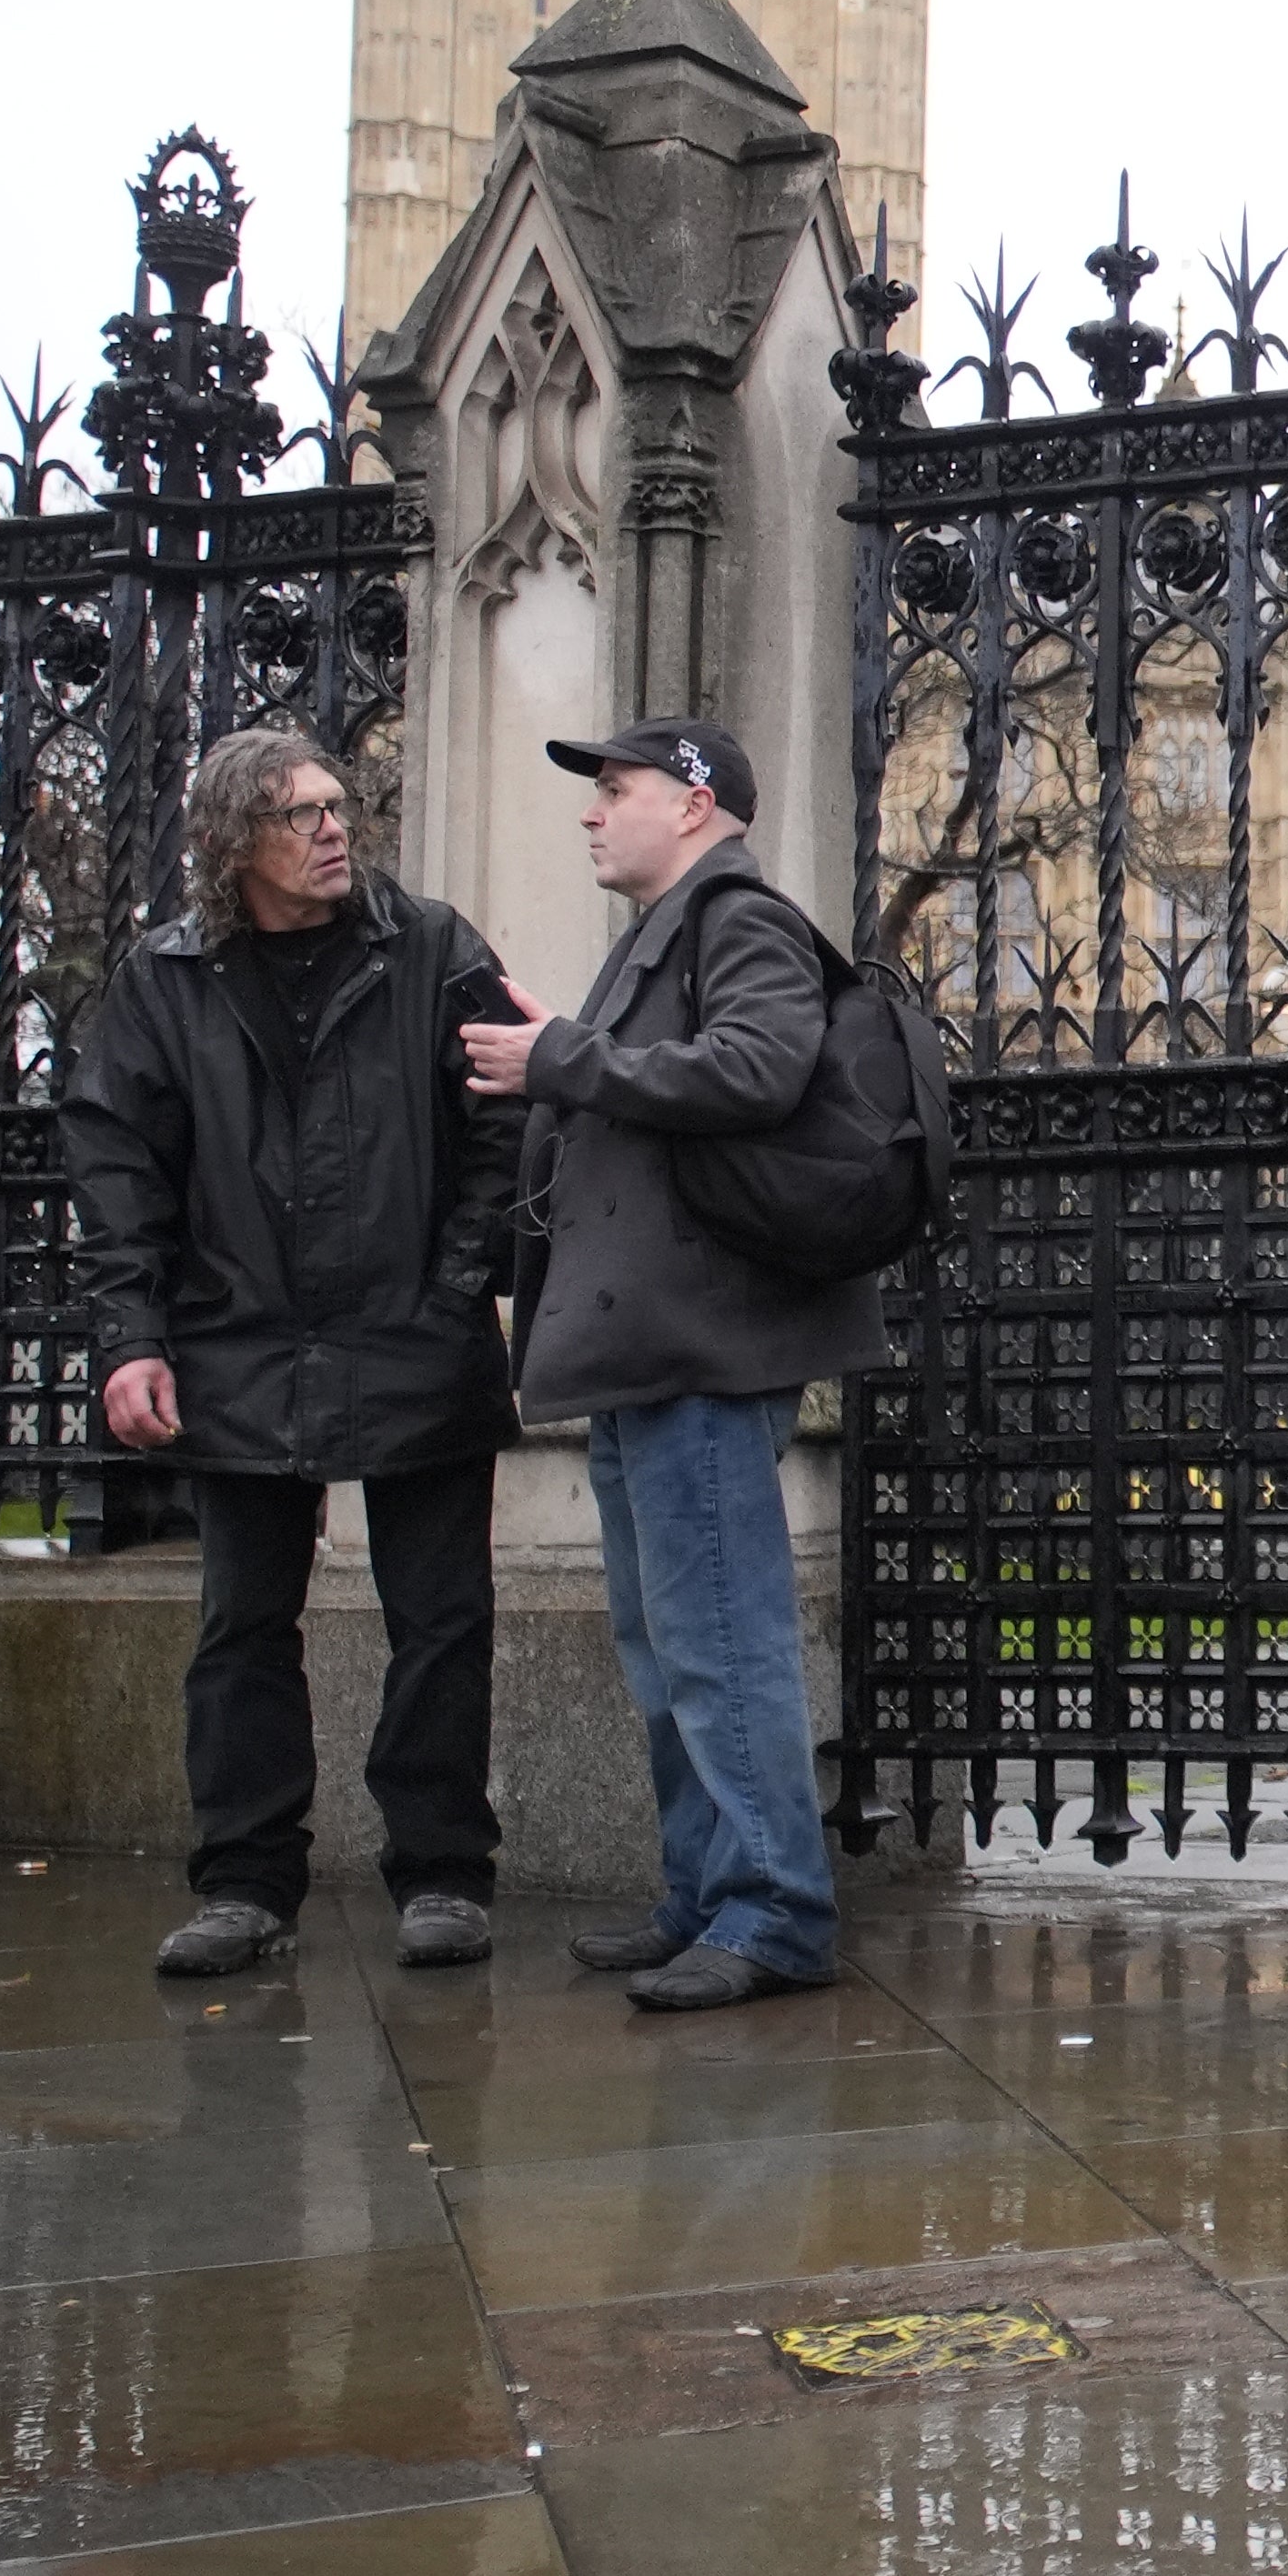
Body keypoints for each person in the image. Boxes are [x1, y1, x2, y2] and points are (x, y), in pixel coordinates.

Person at [65, 729, 524, 1979]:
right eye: (299, 816)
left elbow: (504, 1127)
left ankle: (441, 1871)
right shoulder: (165, 979)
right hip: (235, 1343)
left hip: (411, 1333)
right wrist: (132, 1340)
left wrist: (453, 1287)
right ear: (230, 847)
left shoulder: (429, 946)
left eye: (337, 807)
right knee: (242, 1626)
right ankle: (245, 1883)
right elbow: (118, 1172)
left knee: (440, 1615)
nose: (333, 830)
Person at [459, 718, 888, 2013]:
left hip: (701, 1345)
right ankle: (708, 1895)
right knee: (666, 1646)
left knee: (719, 1644)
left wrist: (563, 1059)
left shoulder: (736, 918)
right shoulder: (664, 935)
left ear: (696, 806)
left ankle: (773, 1914)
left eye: (618, 791)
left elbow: (761, 1069)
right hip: (648, 1347)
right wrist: (566, 1058)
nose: (594, 815)